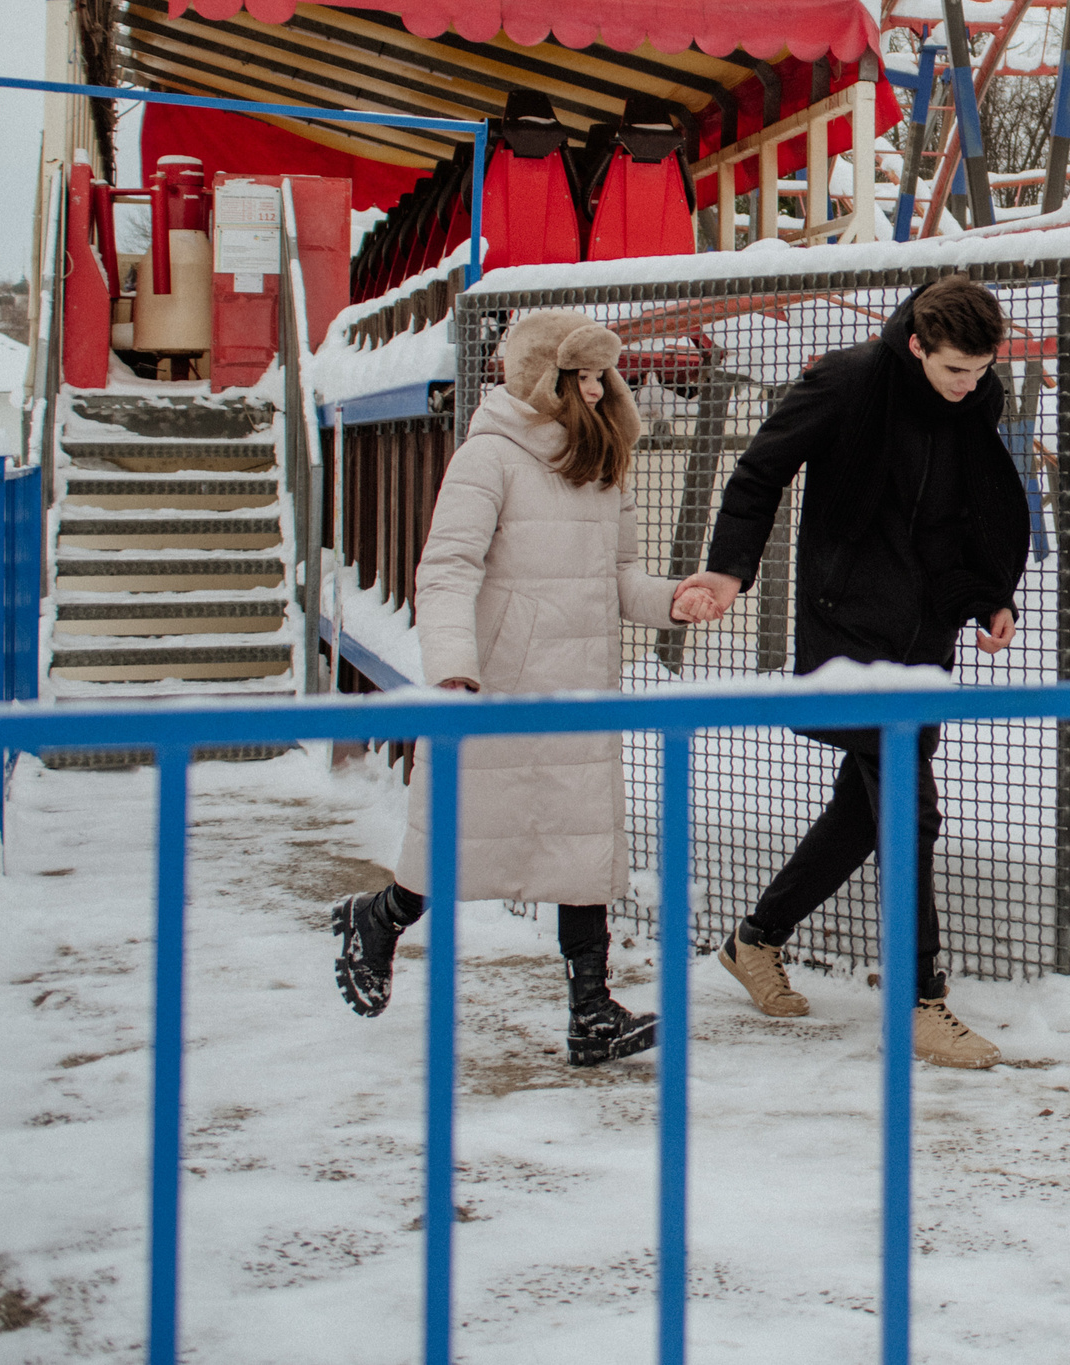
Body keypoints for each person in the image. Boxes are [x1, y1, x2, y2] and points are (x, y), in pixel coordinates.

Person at [332, 310, 710, 1066]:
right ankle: (378, 917)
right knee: (460, 834)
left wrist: (673, 598)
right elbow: (445, 570)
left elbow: (619, 578)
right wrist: (453, 668)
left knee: (582, 845)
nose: (604, 388)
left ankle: (591, 1011)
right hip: (496, 686)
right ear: (547, 379)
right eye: (587, 375)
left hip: (579, 689)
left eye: (605, 375)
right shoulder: (488, 457)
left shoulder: (601, 461)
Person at [675, 273, 1029, 1070]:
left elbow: (960, 511)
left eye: (980, 372)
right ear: (915, 344)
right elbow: (759, 472)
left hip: (921, 632)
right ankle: (920, 1002)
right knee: (910, 807)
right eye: (954, 372)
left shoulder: (974, 397)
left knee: (866, 812)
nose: (969, 388)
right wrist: (729, 572)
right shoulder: (846, 383)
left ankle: (755, 940)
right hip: (848, 628)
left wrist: (984, 596)